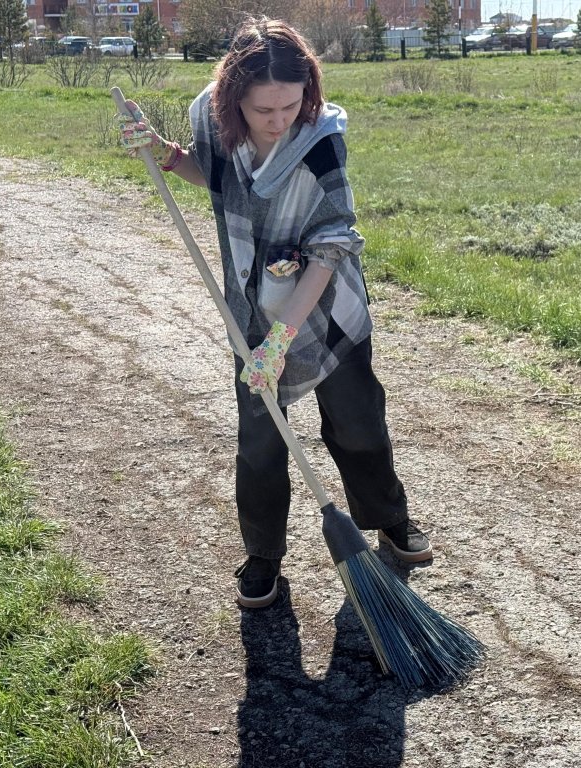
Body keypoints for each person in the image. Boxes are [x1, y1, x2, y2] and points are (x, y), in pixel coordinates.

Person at [118, 17, 432, 609]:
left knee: (357, 422)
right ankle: (263, 553)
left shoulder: (320, 142)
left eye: (290, 104)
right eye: (263, 109)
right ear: (232, 97)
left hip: (325, 307)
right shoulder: (213, 120)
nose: (278, 119)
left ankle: (390, 520)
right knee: (261, 437)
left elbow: (332, 247)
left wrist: (284, 338)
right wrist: (164, 154)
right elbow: (216, 178)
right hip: (252, 305)